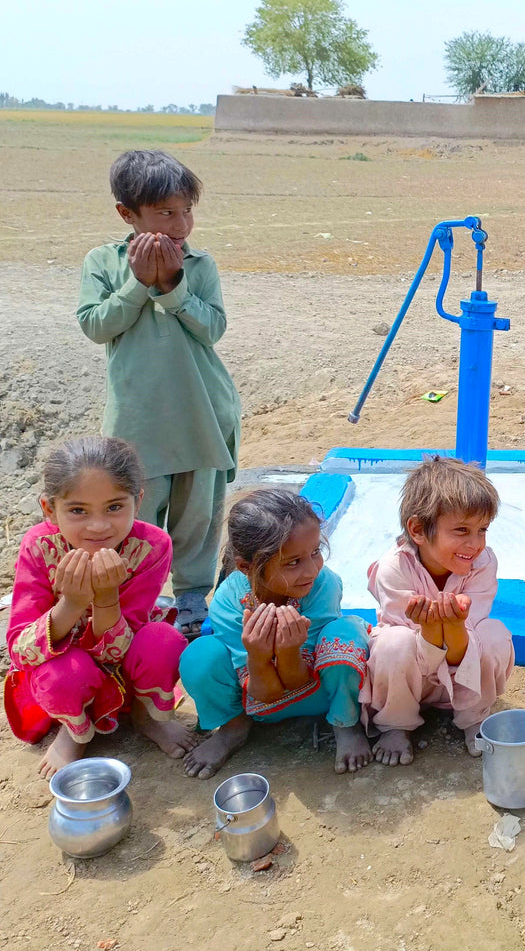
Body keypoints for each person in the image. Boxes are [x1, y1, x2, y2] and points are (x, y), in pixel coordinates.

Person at [77, 150, 240, 638]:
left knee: (197, 515)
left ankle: (192, 601)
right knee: (134, 511)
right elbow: (95, 325)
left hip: (203, 410)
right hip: (137, 418)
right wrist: (137, 283)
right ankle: (137, 602)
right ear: (128, 214)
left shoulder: (198, 263)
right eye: (165, 213)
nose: (180, 224)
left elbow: (212, 328)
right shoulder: (103, 262)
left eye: (186, 210)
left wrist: (171, 286)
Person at [3, 437, 193, 778]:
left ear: (138, 501)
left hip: (123, 652)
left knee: (164, 641)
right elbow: (21, 651)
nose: (98, 526)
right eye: (78, 510)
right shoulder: (38, 547)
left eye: (115, 507)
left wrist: (107, 599)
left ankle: (145, 716)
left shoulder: (150, 546)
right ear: (49, 509)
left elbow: (120, 648)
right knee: (65, 673)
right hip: (63, 668)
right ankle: (73, 729)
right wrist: (72, 604)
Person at [179, 489, 371, 778]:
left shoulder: (323, 585)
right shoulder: (229, 603)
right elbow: (265, 694)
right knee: (199, 655)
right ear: (247, 567)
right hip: (258, 700)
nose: (311, 569)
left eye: (316, 551)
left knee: (344, 631)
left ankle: (346, 723)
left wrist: (290, 650)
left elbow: (299, 681)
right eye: (293, 562)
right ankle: (233, 728)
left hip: (320, 692)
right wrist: (257, 655)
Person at [364, 456, 514, 765]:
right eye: (462, 530)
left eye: (482, 529)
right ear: (418, 530)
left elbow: (468, 644)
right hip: (414, 681)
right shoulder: (393, 569)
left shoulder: (483, 563)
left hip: (460, 677)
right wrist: (432, 629)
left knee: (494, 634)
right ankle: (396, 723)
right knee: (393, 641)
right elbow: (412, 651)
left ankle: (474, 715)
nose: (475, 544)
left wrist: (455, 627)